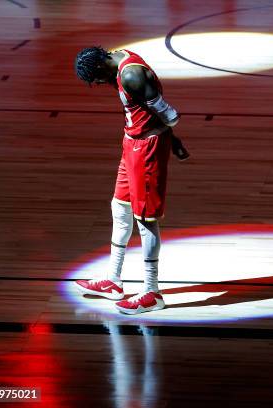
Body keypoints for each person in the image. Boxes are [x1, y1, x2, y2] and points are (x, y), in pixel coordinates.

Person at [73, 46, 187, 314]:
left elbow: (170, 115)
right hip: (131, 143)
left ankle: (151, 292)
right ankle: (114, 280)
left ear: (101, 68)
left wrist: (171, 141)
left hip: (146, 148)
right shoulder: (118, 59)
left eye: (97, 79)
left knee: (145, 220)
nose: (100, 84)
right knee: (119, 208)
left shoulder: (131, 75)